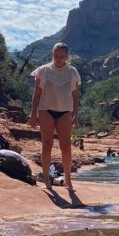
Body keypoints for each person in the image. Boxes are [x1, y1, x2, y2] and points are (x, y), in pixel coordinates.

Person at [30, 43, 81, 193]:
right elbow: (37, 95)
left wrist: (76, 115)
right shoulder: (44, 71)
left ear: (67, 57)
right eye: (56, 56)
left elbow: (75, 96)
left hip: (65, 112)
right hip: (46, 110)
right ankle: (47, 179)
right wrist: (33, 114)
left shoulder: (73, 72)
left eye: (62, 56)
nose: (58, 59)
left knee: (66, 146)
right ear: (52, 55)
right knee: (47, 144)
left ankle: (68, 181)